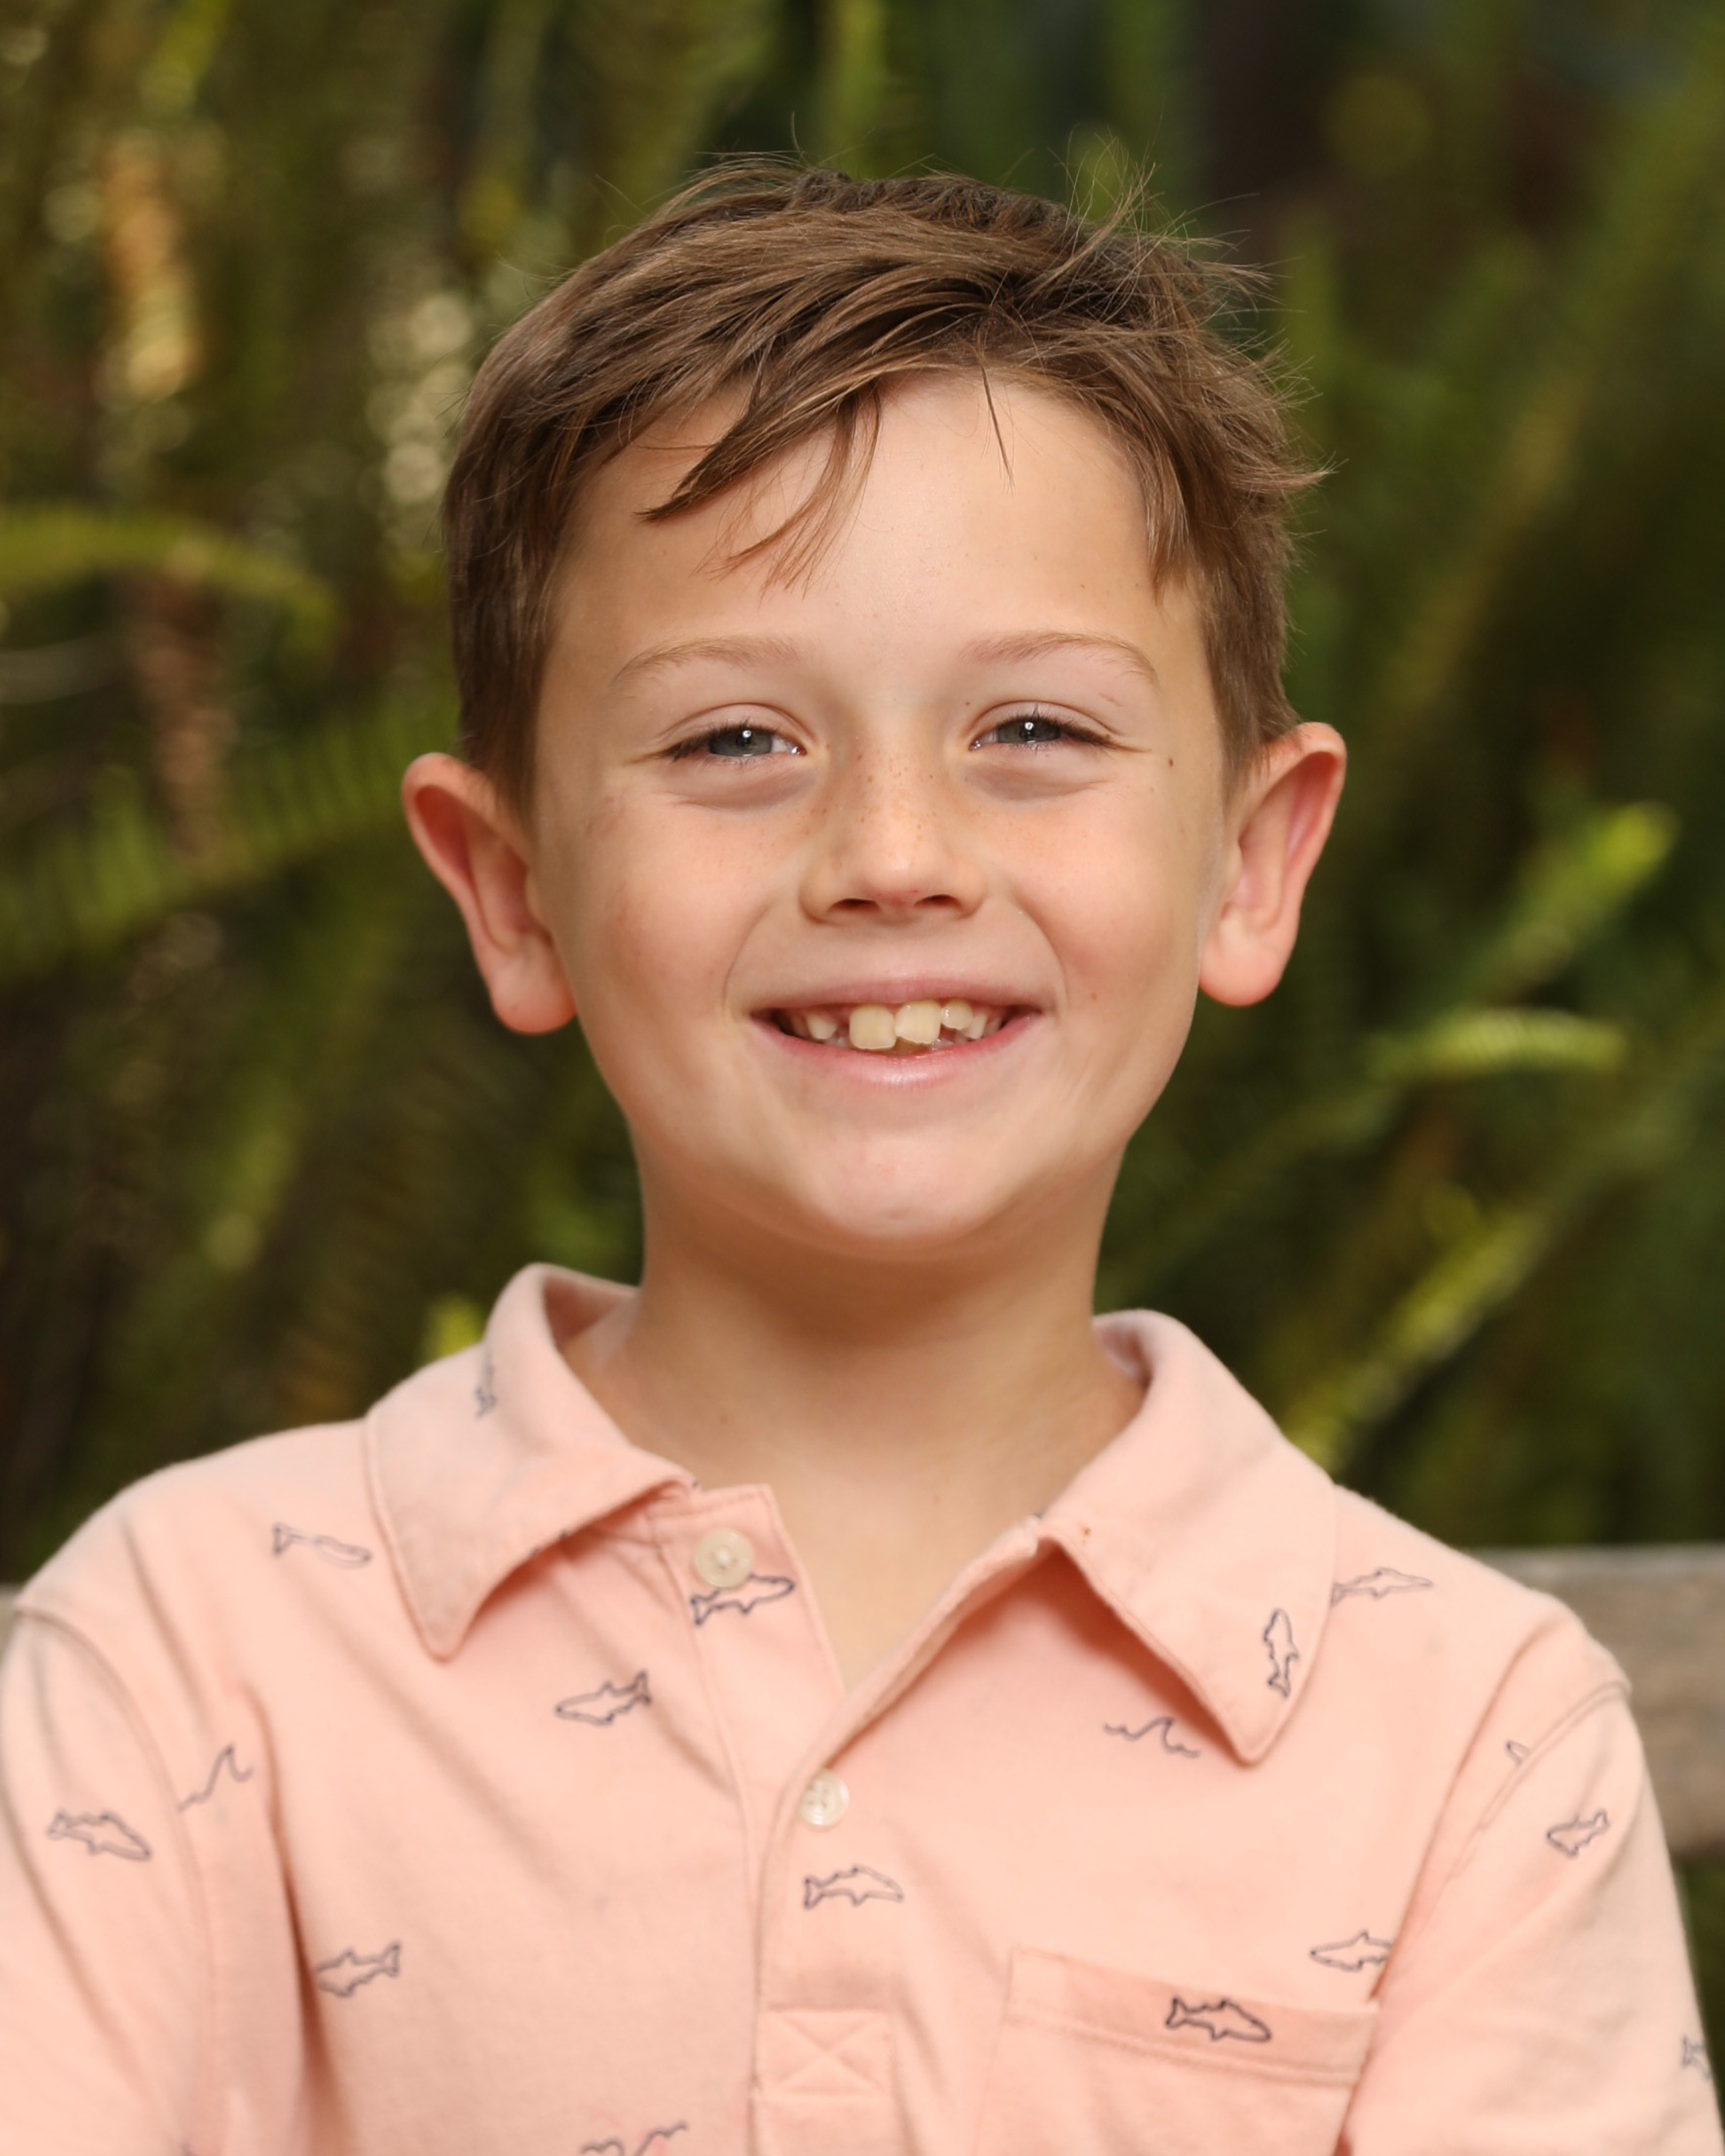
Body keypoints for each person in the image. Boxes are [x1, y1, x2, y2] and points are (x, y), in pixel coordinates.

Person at [0, 161, 1717, 2156]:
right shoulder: (190, 1655)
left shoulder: (1475, 1749)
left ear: (1251, 863)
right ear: (513, 890)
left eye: (1037, 731)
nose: (895, 856)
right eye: (734, 742)